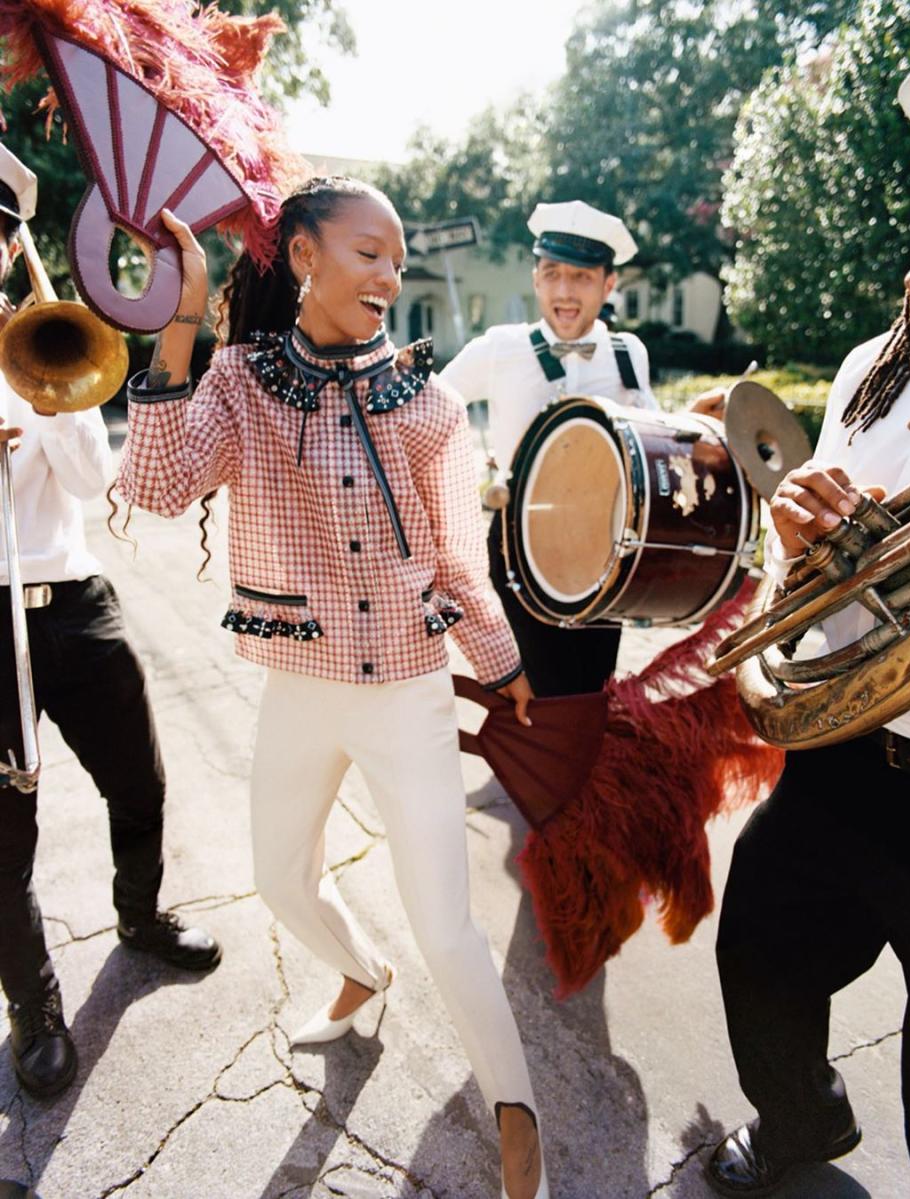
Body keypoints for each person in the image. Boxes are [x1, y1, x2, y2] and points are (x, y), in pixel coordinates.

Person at [116, 175, 548, 1199]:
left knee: (444, 921)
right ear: (303, 255)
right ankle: (360, 967)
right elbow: (158, 487)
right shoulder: (240, 382)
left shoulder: (429, 404)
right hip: (300, 680)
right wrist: (179, 323)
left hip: (407, 688)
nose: (389, 275)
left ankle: (517, 1104)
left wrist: (505, 662)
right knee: (278, 878)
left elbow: (456, 559)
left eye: (398, 260)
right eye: (369, 253)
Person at [707, 42, 910, 1199]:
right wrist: (802, 531)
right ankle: (802, 1129)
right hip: (849, 752)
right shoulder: (873, 365)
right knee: (758, 943)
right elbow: (805, 558)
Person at [0, 143, 221, 1101]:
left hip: (74, 606)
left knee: (140, 779)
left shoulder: (42, 340)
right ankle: (36, 1012)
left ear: (11, 248)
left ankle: (139, 916)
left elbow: (95, 477)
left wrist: (40, 388)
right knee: (4, 843)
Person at [441, 199, 723, 697]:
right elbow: (430, 409)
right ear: (535, 279)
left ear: (608, 285)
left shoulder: (628, 352)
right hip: (519, 546)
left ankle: (575, 767)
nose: (565, 293)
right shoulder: (500, 348)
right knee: (533, 685)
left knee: (590, 687)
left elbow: (651, 439)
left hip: (604, 546)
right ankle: (534, 770)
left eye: (582, 278)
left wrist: (693, 423)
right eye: (552, 274)